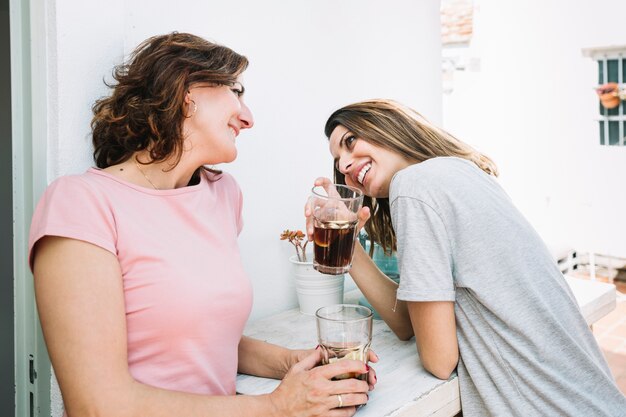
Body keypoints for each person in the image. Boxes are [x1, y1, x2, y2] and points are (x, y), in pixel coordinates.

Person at [29, 32, 376, 417]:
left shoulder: (223, 195)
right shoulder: (80, 203)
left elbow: (201, 340)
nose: (248, 118)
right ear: (185, 91)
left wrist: (300, 364)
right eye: (237, 91)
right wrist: (277, 406)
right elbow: (97, 404)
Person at [306, 98, 626, 416]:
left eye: (350, 142)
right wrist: (348, 244)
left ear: (386, 124)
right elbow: (407, 323)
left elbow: (439, 361)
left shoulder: (413, 186)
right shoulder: (458, 171)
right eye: (338, 163)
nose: (345, 166)